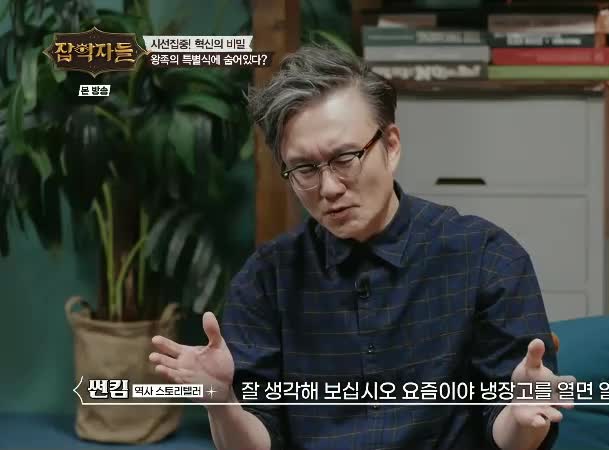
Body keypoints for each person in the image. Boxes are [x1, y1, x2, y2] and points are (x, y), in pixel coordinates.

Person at [149, 45, 573, 450]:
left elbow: (511, 434)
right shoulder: (266, 279)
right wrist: (221, 402)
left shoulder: (486, 257)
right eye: (304, 168)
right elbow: (257, 440)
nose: (329, 188)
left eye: (345, 158)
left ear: (391, 146)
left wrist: (520, 417)